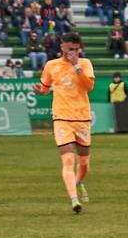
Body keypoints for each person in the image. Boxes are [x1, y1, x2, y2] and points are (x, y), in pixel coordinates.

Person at [33, 32, 95, 214]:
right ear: (62, 47)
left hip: (82, 118)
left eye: (76, 50)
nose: (72, 53)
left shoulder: (85, 64)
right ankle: (74, 199)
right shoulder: (51, 66)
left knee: (84, 163)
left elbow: (89, 87)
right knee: (68, 159)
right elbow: (45, 88)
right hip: (61, 118)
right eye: (70, 49)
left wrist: (76, 66)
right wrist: (40, 91)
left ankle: (79, 182)